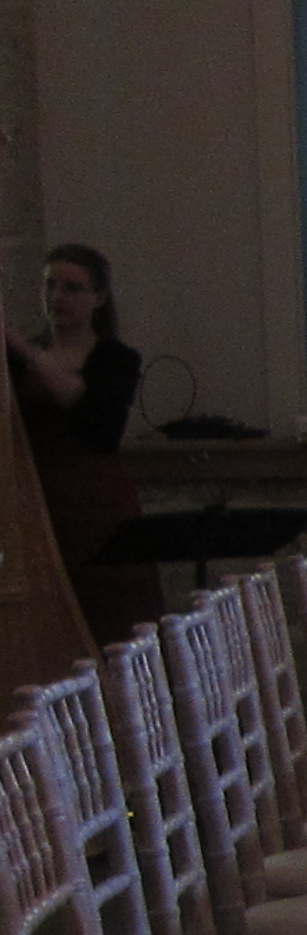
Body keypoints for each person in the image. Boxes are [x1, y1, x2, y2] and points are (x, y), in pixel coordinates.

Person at [9, 243, 158, 640]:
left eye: (72, 288)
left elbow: (98, 422)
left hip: (95, 503)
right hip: (35, 502)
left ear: (99, 297)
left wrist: (26, 352)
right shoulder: (16, 359)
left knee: (112, 617)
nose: (57, 297)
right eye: (50, 286)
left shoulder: (116, 358)